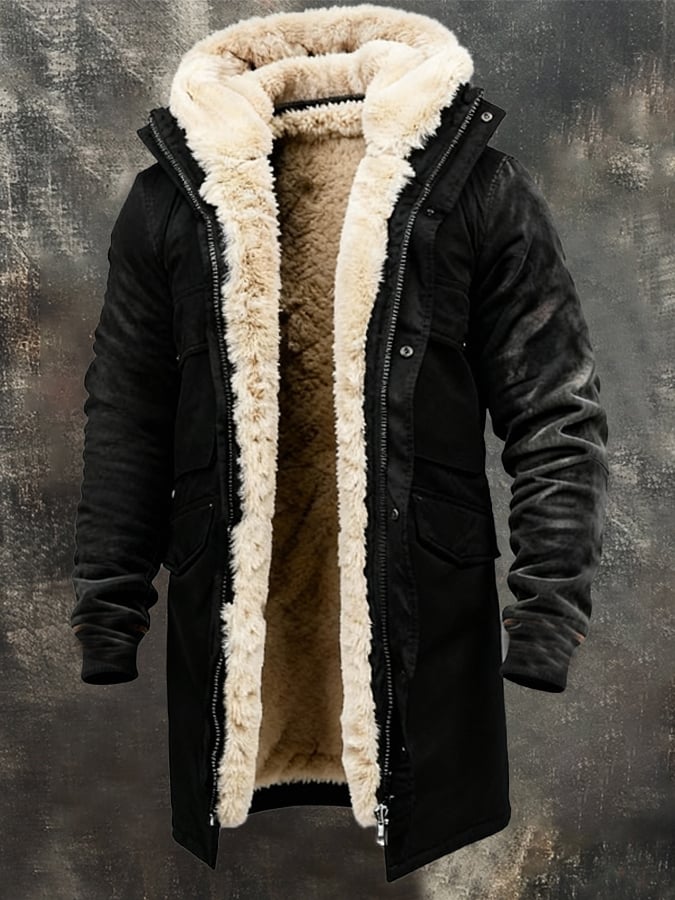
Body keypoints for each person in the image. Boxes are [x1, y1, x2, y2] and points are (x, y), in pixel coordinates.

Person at [69, 3, 609, 883]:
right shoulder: (171, 201)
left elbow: (554, 409)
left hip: (427, 635)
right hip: (232, 645)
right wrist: (108, 608)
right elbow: (127, 415)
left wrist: (548, 613)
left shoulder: (476, 187)